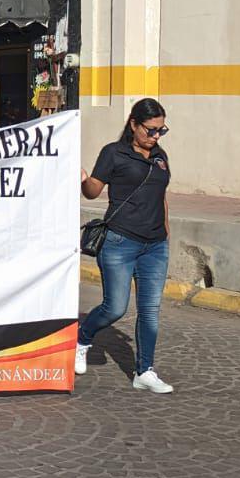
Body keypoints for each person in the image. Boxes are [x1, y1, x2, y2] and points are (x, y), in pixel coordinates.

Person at [75, 97, 174, 393]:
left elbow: (161, 196)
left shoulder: (160, 156)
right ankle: (82, 338)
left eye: (161, 130)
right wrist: (83, 178)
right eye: (151, 130)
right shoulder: (113, 153)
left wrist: (166, 235)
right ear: (133, 124)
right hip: (120, 241)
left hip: (155, 246)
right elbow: (93, 192)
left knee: (150, 311)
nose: (155, 136)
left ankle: (144, 371)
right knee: (115, 307)